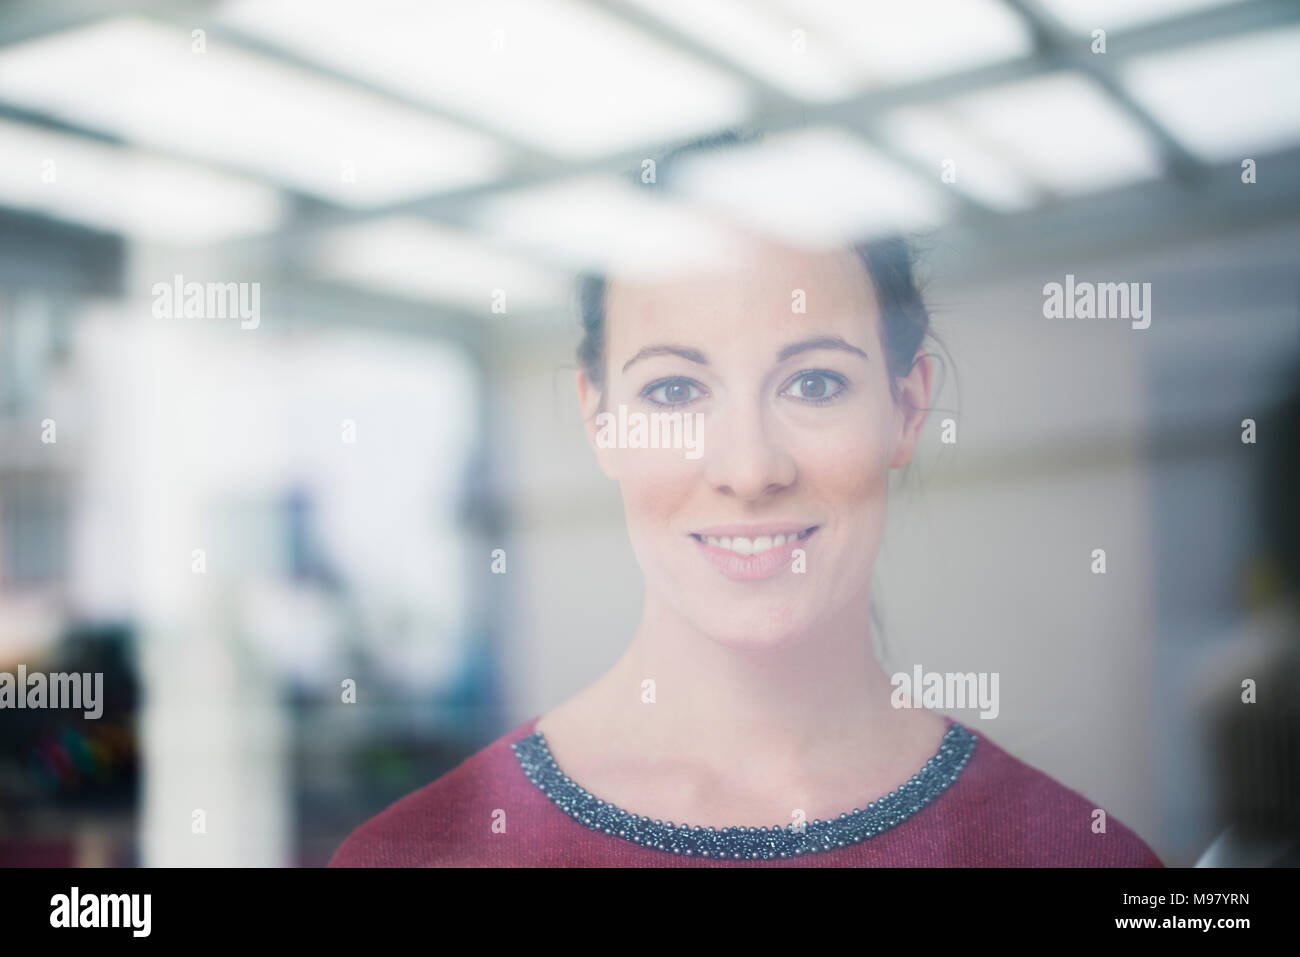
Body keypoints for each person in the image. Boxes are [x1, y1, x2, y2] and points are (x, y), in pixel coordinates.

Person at [330, 130, 1162, 867]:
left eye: (814, 381)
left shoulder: (1070, 854)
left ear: (908, 409)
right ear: (600, 420)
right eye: (673, 392)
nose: (749, 467)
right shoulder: (424, 854)